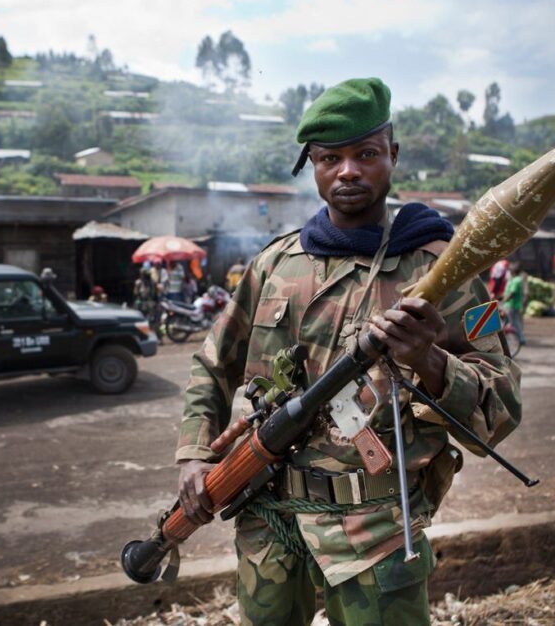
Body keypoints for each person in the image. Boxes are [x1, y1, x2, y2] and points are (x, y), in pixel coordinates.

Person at [175, 78, 522, 625]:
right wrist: (196, 454)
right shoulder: (273, 266)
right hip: (266, 521)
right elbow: (213, 364)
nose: (348, 171)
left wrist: (429, 362)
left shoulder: (444, 271)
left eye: (366, 154)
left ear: (393, 155)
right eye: (329, 158)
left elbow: (502, 405)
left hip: (374, 532)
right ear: (311, 165)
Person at [502, 262, 528, 345]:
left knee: (514, 323)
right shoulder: (512, 279)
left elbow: (512, 293)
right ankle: (518, 338)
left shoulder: (517, 280)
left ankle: (520, 339)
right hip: (510, 305)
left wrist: (505, 300)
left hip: (512, 305)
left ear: (513, 271)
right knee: (512, 322)